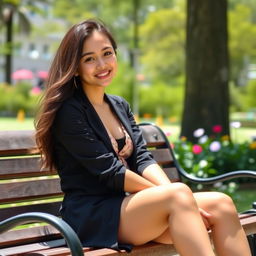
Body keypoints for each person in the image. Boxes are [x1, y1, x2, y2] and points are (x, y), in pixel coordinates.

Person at [35, 19, 251, 256]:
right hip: (92, 216)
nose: (102, 64)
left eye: (107, 53)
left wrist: (180, 198)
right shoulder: (70, 111)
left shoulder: (119, 105)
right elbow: (110, 172)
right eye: (89, 59)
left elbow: (142, 159)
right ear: (75, 66)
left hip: (128, 208)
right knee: (178, 196)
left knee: (221, 203)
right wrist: (176, 198)